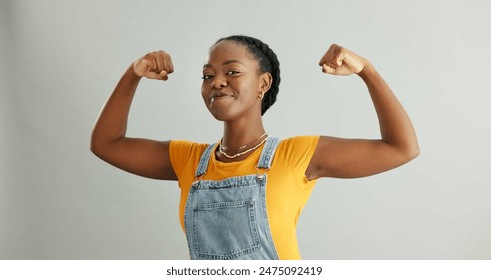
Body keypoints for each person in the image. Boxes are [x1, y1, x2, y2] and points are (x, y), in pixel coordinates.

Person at [90, 35, 419, 260]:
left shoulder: (296, 156)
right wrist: (133, 75)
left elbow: (401, 148)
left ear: (263, 83)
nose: (216, 82)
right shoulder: (188, 160)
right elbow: (107, 144)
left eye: (232, 72)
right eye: (207, 75)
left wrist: (368, 72)